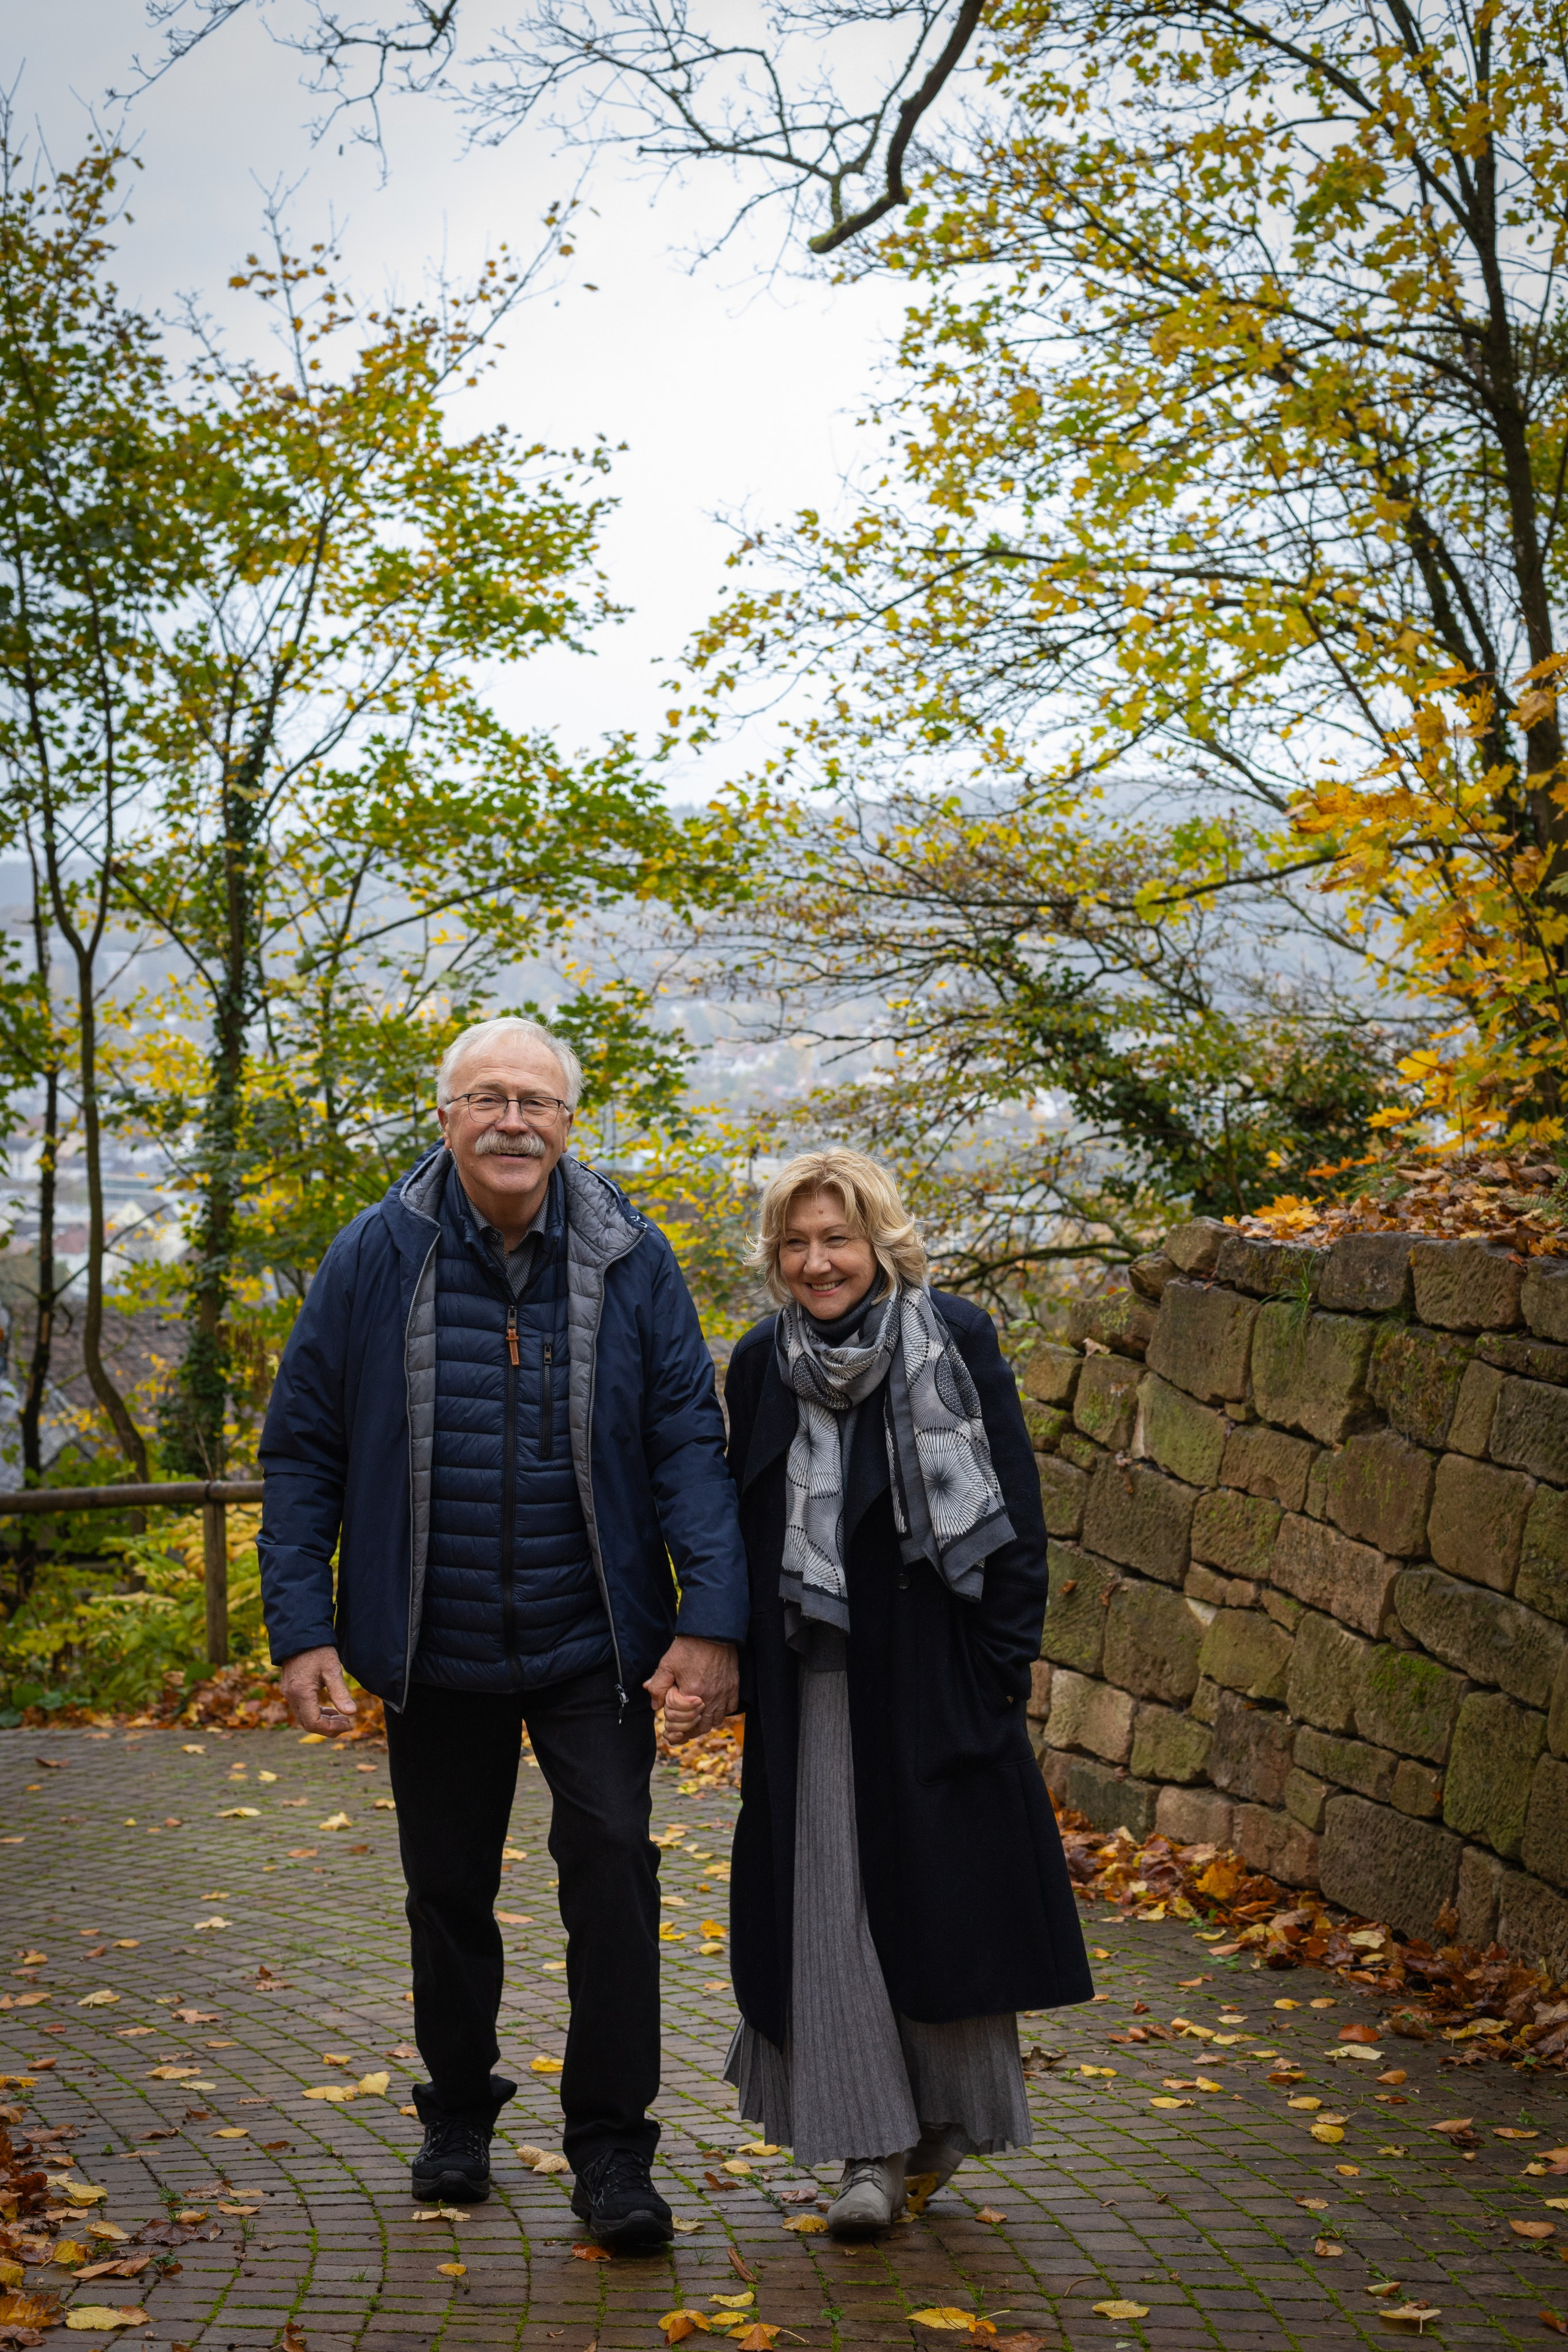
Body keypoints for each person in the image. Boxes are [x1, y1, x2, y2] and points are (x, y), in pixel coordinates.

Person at [257, 1016, 748, 2251]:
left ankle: (610, 2150)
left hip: (598, 1641)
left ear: (569, 1123)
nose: (512, 1120)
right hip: (434, 1641)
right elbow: (305, 1447)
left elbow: (689, 1438)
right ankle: (458, 2115)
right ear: (446, 1120)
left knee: (615, 1873)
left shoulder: (632, 1256)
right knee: (446, 1894)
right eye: (486, 1099)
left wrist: (710, 1618)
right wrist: (301, 1629)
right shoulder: (378, 1253)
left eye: (535, 1099)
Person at [722, 1148, 1092, 2234]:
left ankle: (941, 2129)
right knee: (831, 1911)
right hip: (815, 1691)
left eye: (836, 1239)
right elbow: (740, 1530)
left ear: (879, 1242)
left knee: (939, 1913)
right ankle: (867, 2154)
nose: (816, 1261)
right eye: (795, 1243)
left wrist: (996, 1679)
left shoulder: (956, 1339)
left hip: (935, 1682)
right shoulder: (758, 1363)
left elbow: (1012, 1520)